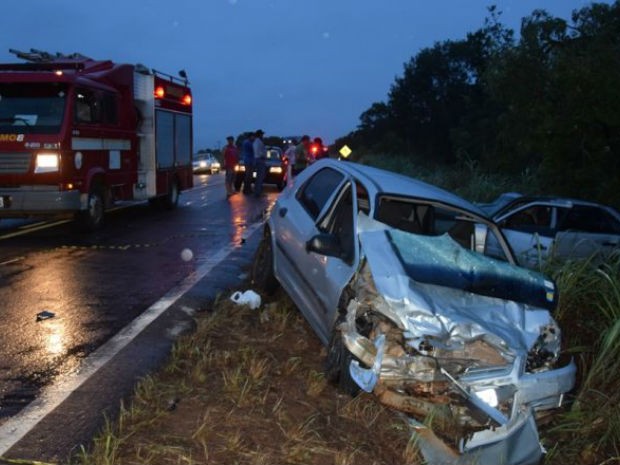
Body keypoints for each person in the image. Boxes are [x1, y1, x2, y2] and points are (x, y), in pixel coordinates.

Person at [252, 129, 267, 197]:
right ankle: (258, 192)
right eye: (262, 134)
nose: (263, 135)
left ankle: (257, 191)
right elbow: (259, 151)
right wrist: (263, 155)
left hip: (258, 159)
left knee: (259, 176)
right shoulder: (258, 142)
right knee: (260, 176)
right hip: (260, 159)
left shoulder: (256, 141)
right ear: (260, 135)